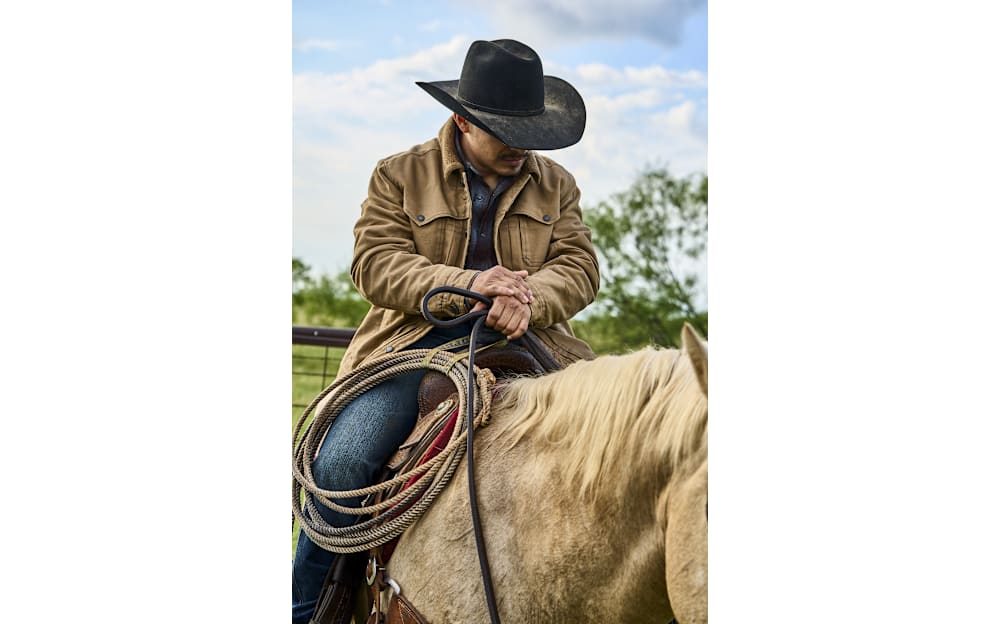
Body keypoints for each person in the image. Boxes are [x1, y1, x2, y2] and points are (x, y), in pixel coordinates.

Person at [292, 38, 600, 624]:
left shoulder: (557, 184)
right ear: (462, 119)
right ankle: (309, 610)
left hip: (526, 340)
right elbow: (376, 262)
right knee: (341, 466)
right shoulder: (398, 174)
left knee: (618, 446)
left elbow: (580, 266)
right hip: (415, 348)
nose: (521, 145)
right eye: (506, 131)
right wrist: (470, 285)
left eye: (528, 130)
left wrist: (527, 300)